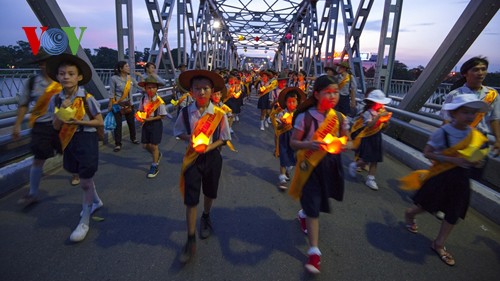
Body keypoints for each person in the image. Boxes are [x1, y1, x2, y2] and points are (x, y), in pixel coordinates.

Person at [401, 94, 489, 266]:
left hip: (461, 180)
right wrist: (452, 160)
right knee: (425, 206)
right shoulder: (443, 132)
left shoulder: (476, 135)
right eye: (466, 112)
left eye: (473, 113)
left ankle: (439, 243)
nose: (470, 116)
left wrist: (477, 162)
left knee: (453, 212)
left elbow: (478, 161)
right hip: (441, 176)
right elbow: (427, 152)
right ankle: (409, 214)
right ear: (454, 113)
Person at [288, 75, 349, 274]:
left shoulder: (339, 118)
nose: (333, 96)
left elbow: (347, 141)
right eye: (328, 92)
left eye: (336, 92)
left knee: (319, 199)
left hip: (330, 165)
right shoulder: (305, 117)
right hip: (309, 165)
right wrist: (309, 144)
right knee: (314, 204)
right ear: (316, 94)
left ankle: (303, 214)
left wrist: (341, 144)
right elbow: (293, 143)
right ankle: (314, 252)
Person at [173, 69, 231, 263]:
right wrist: (190, 138)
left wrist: (208, 147)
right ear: (191, 92)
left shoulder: (219, 114)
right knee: (190, 198)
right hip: (192, 159)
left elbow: (224, 138)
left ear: (212, 90)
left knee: (209, 191)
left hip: (212, 157)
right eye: (197, 88)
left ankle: (206, 215)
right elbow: (178, 132)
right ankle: (190, 239)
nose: (202, 92)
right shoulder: (185, 112)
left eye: (205, 88)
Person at [47, 53, 104, 243]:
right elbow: (55, 126)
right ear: (57, 76)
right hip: (69, 141)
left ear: (79, 77)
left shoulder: (88, 99)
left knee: (85, 180)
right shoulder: (56, 100)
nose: (66, 77)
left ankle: (84, 221)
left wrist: (80, 121)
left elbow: (99, 122)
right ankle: (96, 201)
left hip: (86, 139)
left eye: (71, 73)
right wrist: (61, 111)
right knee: (76, 171)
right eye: (62, 73)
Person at [12, 51, 74, 205]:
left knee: (70, 151)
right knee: (38, 158)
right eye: (41, 62)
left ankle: (76, 173)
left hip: (61, 123)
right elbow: (24, 104)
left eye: (46, 62)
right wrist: (17, 124)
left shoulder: (62, 80)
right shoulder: (32, 82)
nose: (43, 65)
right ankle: (33, 193)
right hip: (41, 126)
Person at [442, 56, 500, 163]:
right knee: (454, 173)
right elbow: (446, 119)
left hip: (480, 140)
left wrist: (498, 140)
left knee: (475, 172)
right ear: (465, 73)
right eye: (475, 69)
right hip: (457, 138)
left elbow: (494, 118)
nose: (480, 73)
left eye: (483, 69)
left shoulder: (492, 94)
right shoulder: (455, 94)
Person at [348, 89, 392, 190]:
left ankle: (371, 178)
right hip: (368, 138)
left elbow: (384, 127)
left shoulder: (381, 111)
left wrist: (385, 123)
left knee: (375, 159)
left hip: (377, 137)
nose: (382, 105)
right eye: (380, 103)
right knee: (366, 158)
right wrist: (378, 117)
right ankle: (354, 165)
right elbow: (369, 125)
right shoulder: (367, 113)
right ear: (373, 102)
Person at [136, 76, 168, 178]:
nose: (151, 89)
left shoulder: (159, 101)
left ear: (157, 89)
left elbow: (162, 116)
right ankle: (157, 155)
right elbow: (140, 110)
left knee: (154, 146)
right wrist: (140, 117)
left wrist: (150, 119)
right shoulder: (143, 99)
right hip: (146, 123)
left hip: (155, 124)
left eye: (153, 87)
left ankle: (154, 165)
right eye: (149, 87)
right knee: (145, 145)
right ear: (145, 89)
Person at [274, 87, 305, 190]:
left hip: (295, 139)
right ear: (285, 102)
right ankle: (282, 178)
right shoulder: (282, 113)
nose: (291, 104)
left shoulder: (299, 114)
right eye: (289, 102)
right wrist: (282, 124)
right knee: (283, 156)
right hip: (284, 137)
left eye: (294, 102)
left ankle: (288, 169)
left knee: (294, 157)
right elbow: (278, 128)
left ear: (297, 102)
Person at [108, 61, 142, 152]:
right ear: (121, 68)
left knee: (131, 122)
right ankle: (118, 144)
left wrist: (142, 78)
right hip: (118, 105)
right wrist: (110, 105)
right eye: (126, 66)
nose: (128, 68)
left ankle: (133, 138)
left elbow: (139, 86)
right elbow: (111, 93)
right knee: (117, 125)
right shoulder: (114, 78)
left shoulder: (130, 78)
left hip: (129, 104)